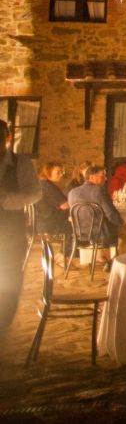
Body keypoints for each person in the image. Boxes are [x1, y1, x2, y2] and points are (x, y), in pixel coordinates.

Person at [0, 120, 41, 335]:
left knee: (10, 272)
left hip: (10, 227)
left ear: (7, 138)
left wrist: (6, 200)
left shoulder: (21, 163)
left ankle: (4, 320)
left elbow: (35, 193)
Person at [67, 164, 124, 255]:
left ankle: (103, 257)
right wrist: (122, 223)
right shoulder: (99, 191)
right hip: (100, 235)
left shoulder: (72, 192)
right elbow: (111, 214)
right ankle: (114, 260)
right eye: (102, 176)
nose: (106, 178)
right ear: (92, 177)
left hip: (79, 234)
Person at [34, 162, 71, 236]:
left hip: (41, 222)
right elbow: (65, 205)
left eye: (62, 172)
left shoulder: (41, 183)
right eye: (58, 172)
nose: (61, 175)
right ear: (48, 172)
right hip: (51, 224)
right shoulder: (48, 186)